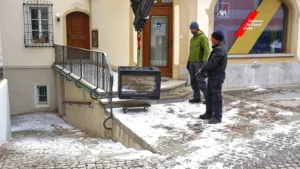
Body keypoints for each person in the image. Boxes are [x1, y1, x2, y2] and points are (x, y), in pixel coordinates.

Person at [198, 31, 228, 124]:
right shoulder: (218, 48)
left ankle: (217, 117)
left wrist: (202, 68)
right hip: (213, 76)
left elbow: (212, 63)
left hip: (217, 77)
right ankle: (209, 113)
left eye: (212, 38)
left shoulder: (219, 49)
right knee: (209, 96)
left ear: (216, 39)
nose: (211, 39)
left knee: (216, 97)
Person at [187, 22, 210, 104]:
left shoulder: (203, 37)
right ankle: (196, 97)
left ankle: (208, 98)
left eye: (192, 29)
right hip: (192, 63)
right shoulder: (192, 39)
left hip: (199, 63)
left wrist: (204, 62)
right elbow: (191, 51)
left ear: (196, 28)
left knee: (201, 81)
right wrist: (188, 61)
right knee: (193, 81)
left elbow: (207, 50)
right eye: (190, 29)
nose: (191, 30)